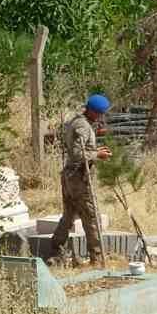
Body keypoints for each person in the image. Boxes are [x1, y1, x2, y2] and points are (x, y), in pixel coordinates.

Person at [45, 94, 113, 266]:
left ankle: (56, 251)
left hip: (70, 176)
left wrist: (95, 150)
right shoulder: (82, 127)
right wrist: (97, 154)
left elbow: (80, 148)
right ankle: (97, 258)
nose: (101, 117)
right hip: (79, 178)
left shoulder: (78, 122)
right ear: (92, 111)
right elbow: (77, 154)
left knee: (68, 216)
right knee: (91, 217)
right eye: (100, 113)